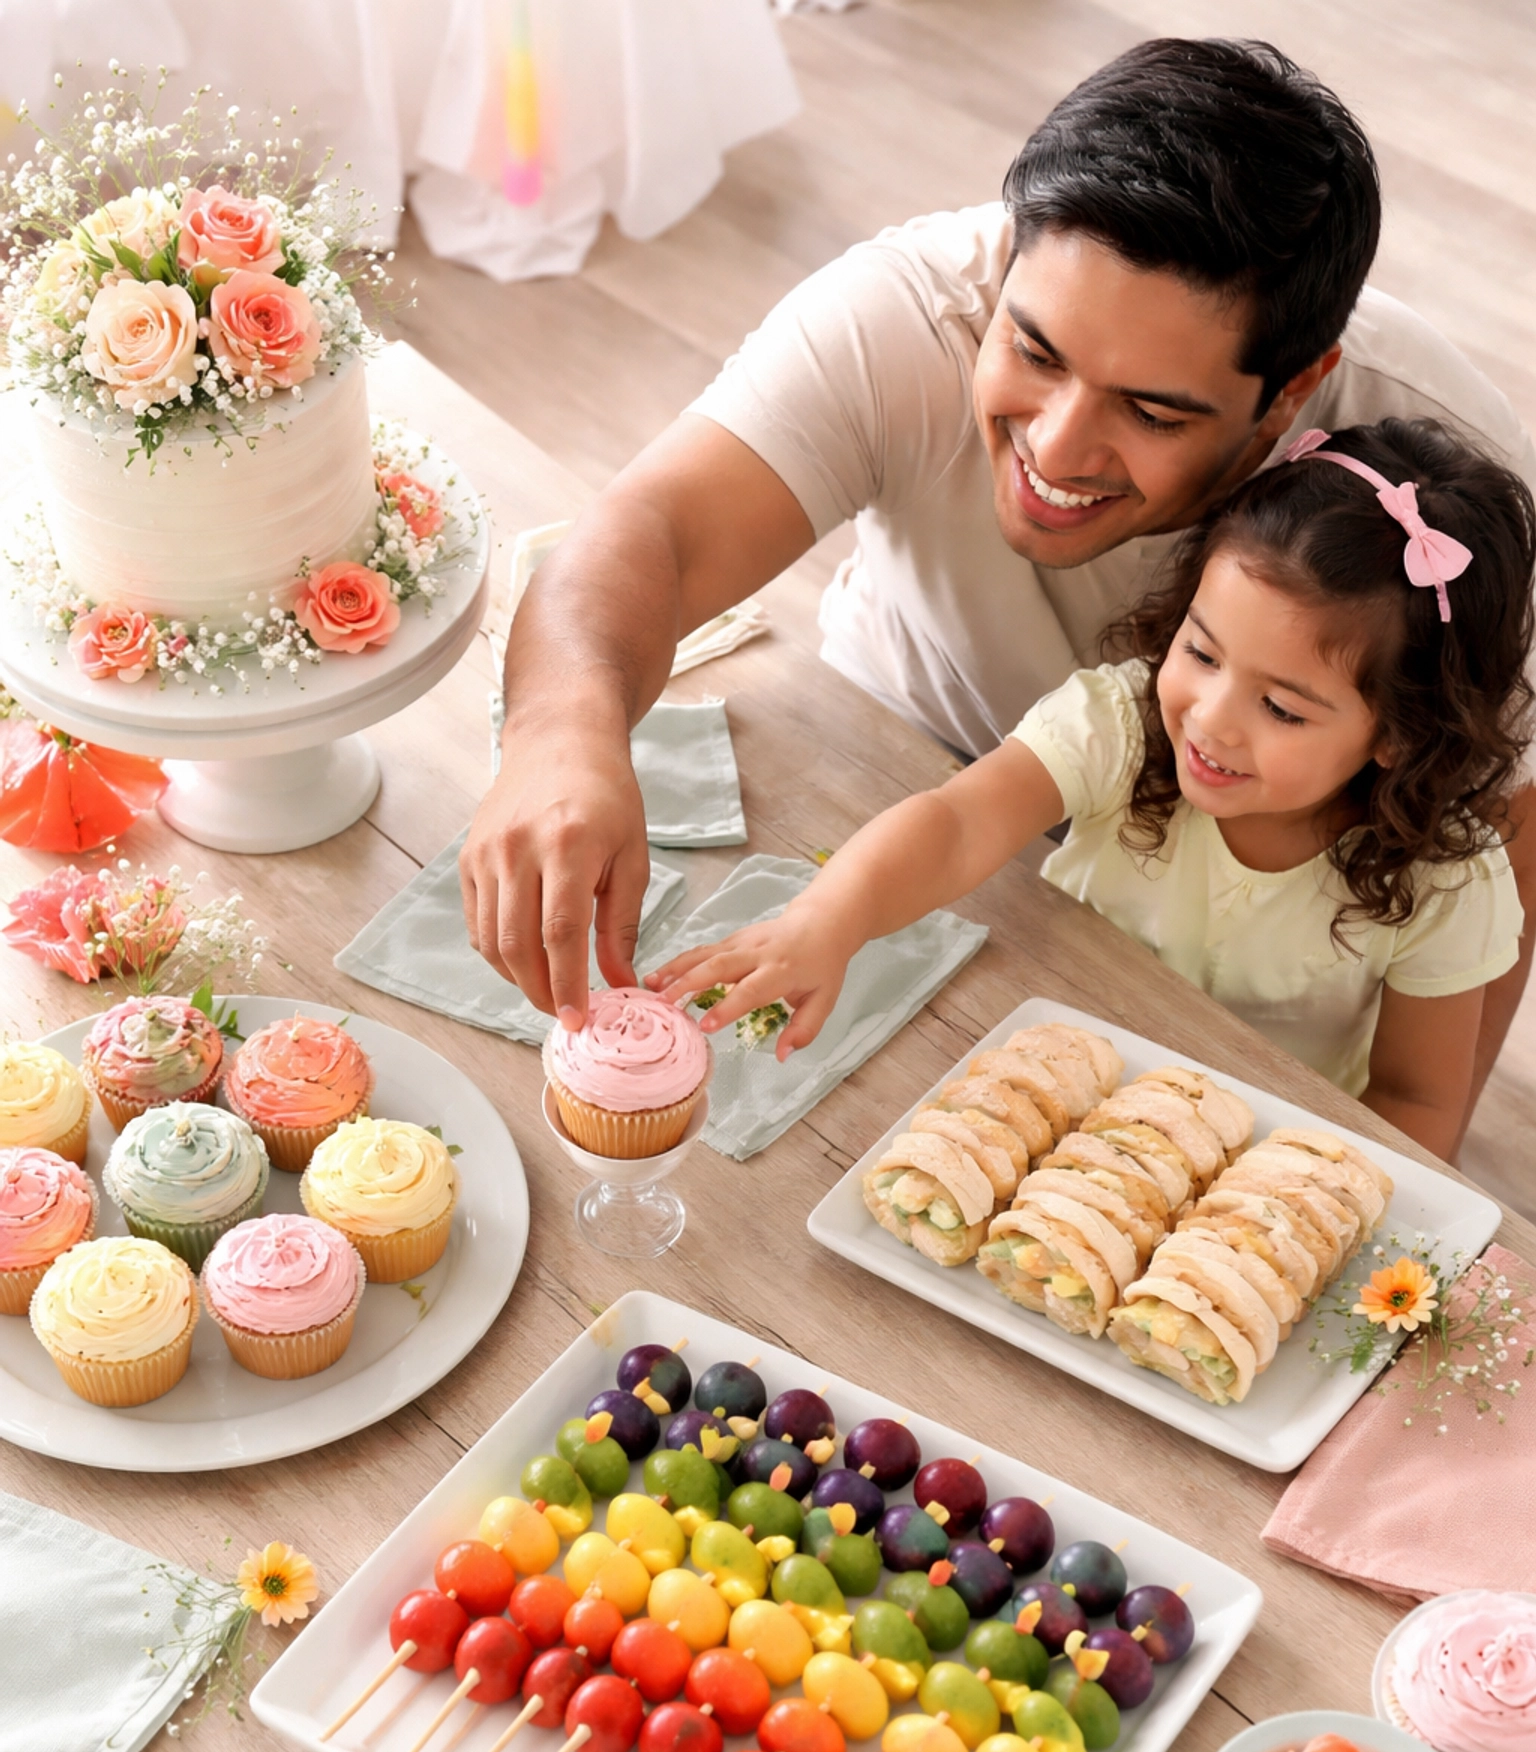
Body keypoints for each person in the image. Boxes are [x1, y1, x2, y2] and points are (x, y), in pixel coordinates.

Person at [460, 36, 1536, 1120]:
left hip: (1266, 942)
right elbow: (652, 531)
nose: (1059, 451)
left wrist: (1420, 1146)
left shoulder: (1449, 495)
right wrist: (558, 736)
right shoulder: (905, 310)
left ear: (1295, 388)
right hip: (899, 785)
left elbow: (1510, 826)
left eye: (1153, 412)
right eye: (1033, 352)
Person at [646, 419, 1534, 1161]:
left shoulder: (1445, 881)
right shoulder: (1123, 722)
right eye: (1202, 651)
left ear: (1398, 733)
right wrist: (827, 919)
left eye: (1280, 707)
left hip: (1253, 1152)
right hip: (1035, 1070)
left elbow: (1418, 1101)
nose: (1211, 721)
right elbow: (957, 824)